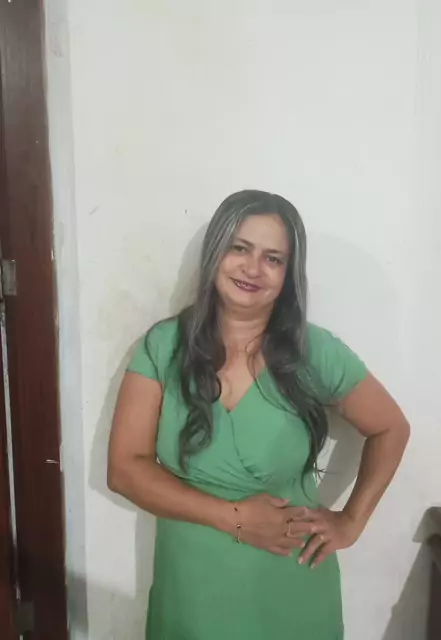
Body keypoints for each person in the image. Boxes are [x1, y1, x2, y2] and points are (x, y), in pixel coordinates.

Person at [107, 189, 410, 640]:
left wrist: (351, 521)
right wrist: (232, 517)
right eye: (240, 248)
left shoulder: (313, 351)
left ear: (288, 275)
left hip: (290, 586)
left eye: (273, 259)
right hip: (192, 590)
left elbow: (391, 427)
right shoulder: (164, 347)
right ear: (216, 252)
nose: (253, 268)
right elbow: (124, 470)